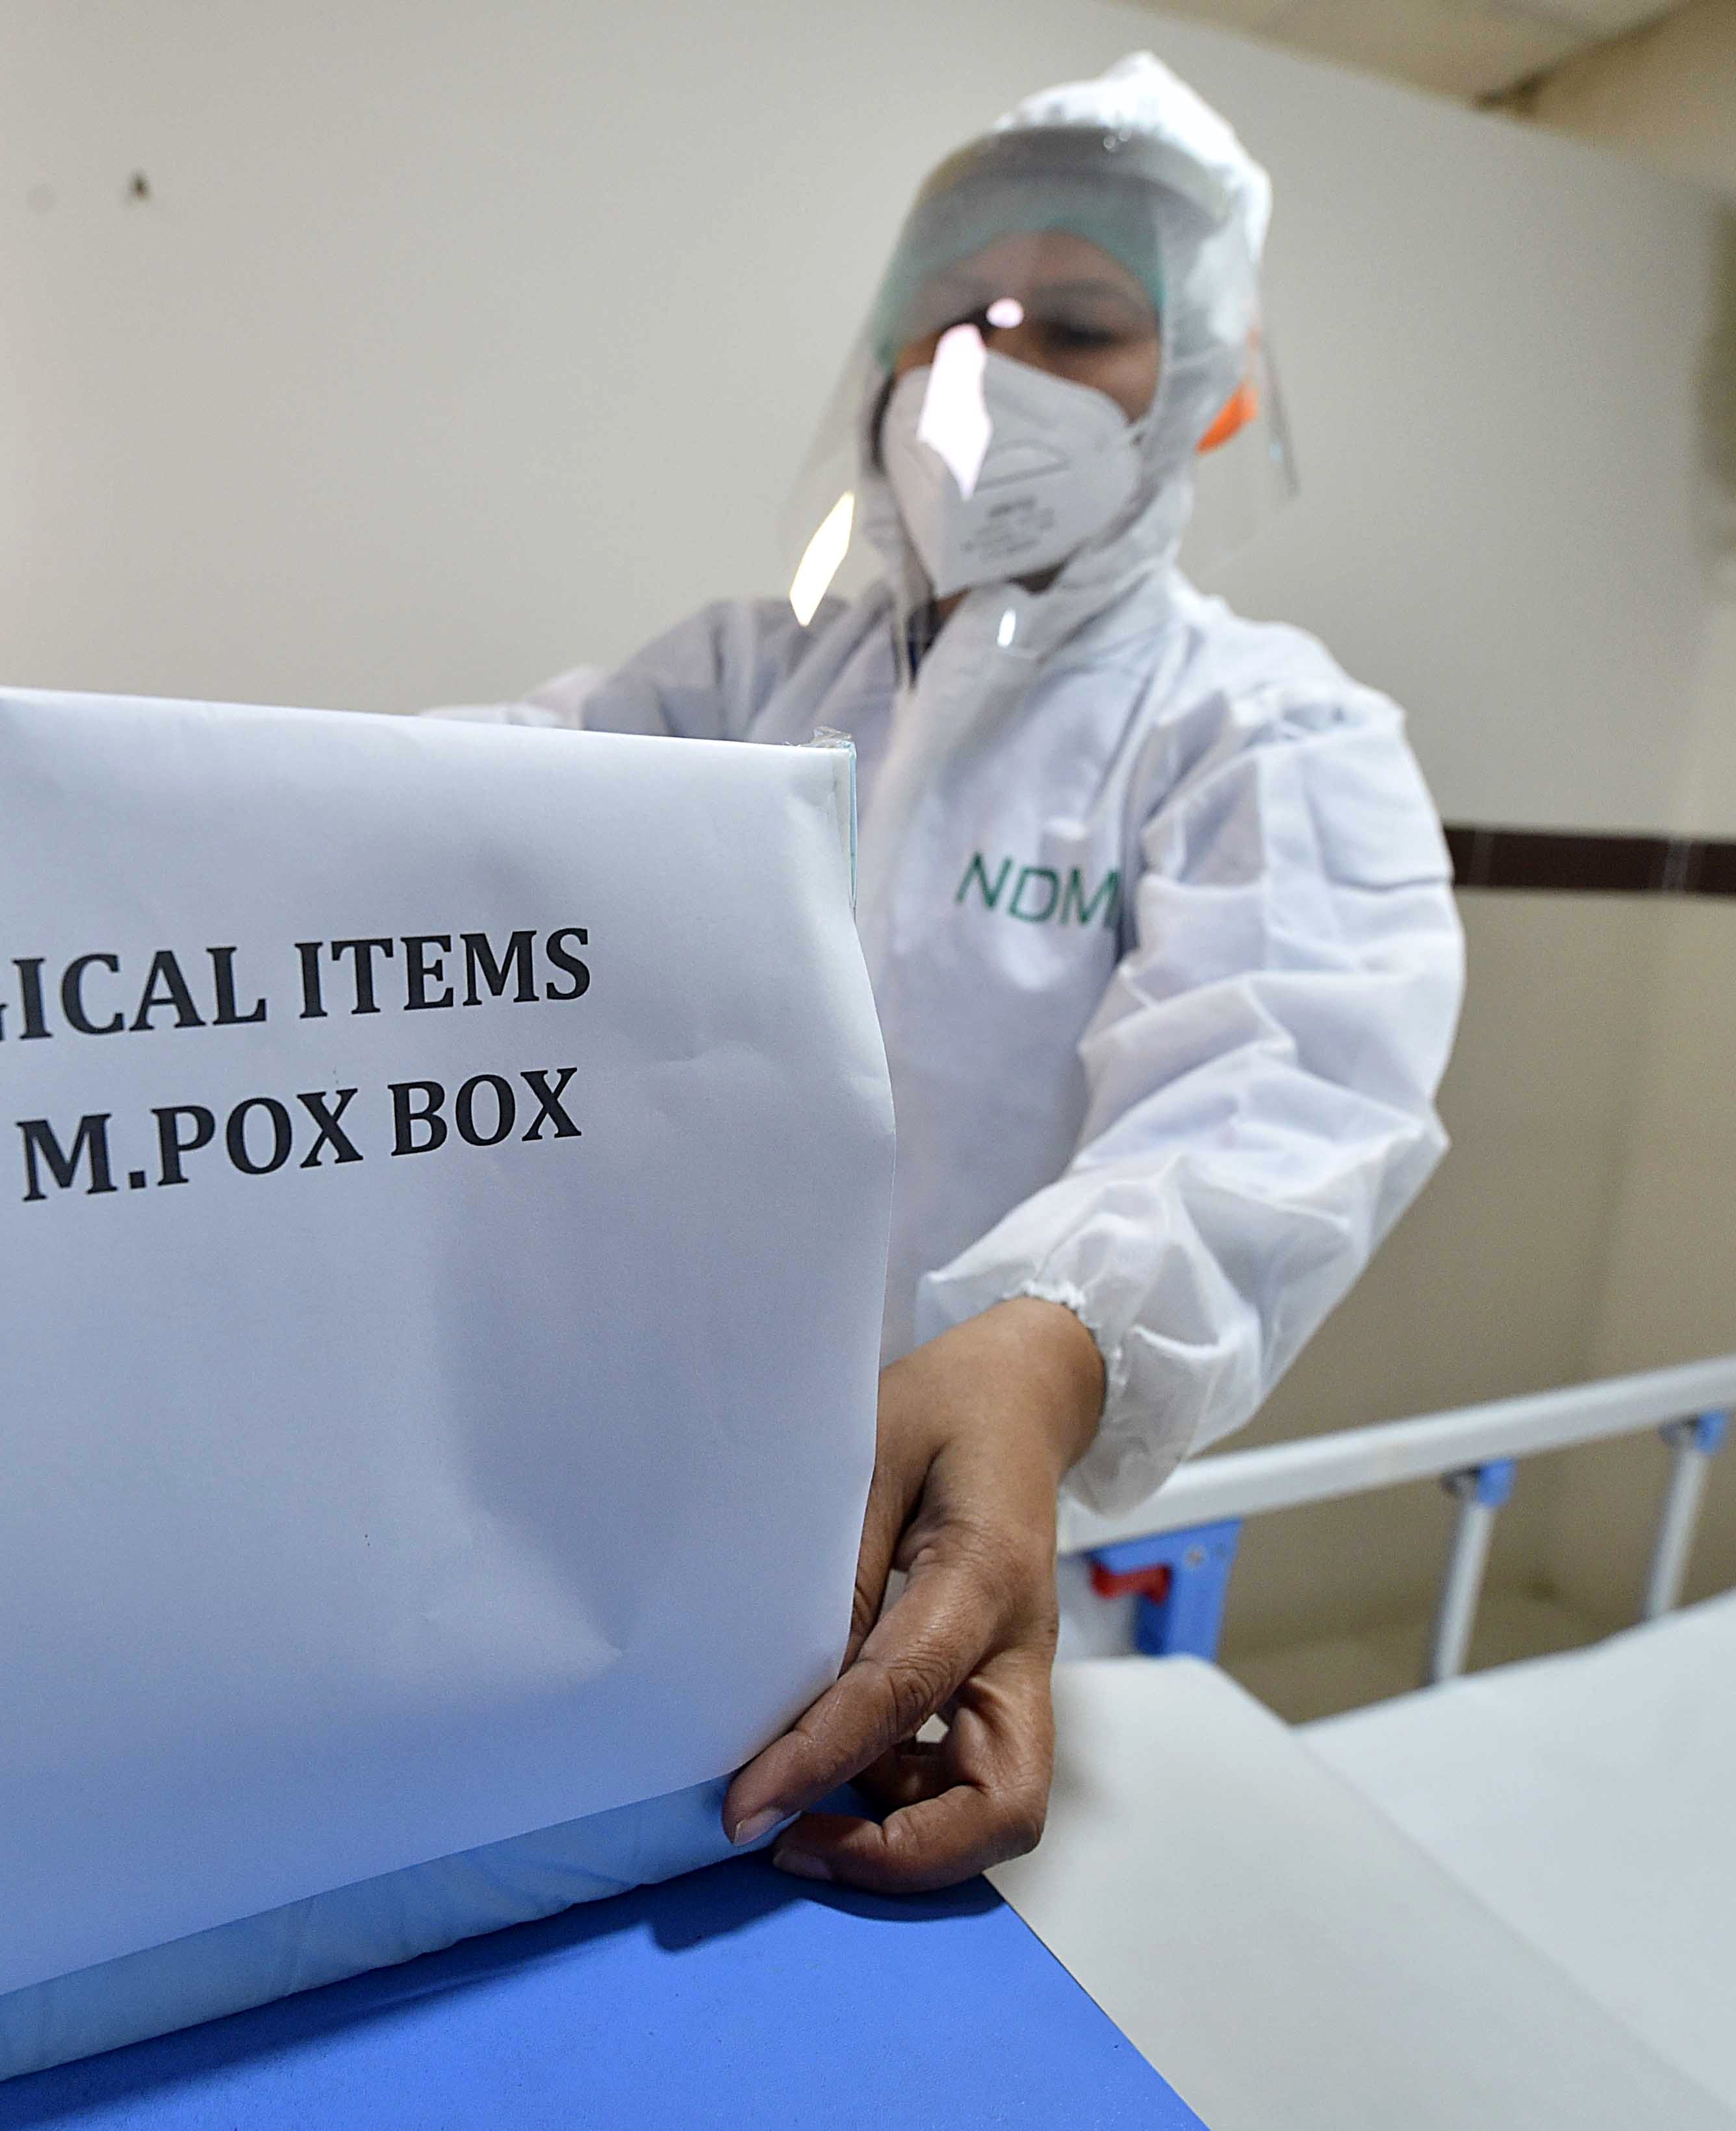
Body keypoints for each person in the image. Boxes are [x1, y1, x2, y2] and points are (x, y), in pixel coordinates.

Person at [455, 55, 1464, 1891]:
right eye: (952, 319)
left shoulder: (1262, 730)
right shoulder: (742, 681)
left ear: (1211, 394)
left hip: (963, 1522)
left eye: (1076, 325)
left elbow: (1286, 1093)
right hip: (644, 1471)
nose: (989, 371)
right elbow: (443, 810)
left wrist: (1045, 1344)